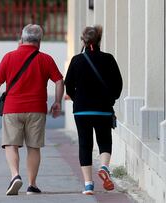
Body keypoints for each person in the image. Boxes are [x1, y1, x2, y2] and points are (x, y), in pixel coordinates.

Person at [0, 24, 64, 195]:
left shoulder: (9, 57)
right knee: (34, 147)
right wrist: (57, 102)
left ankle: (15, 176)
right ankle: (32, 185)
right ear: (39, 42)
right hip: (37, 109)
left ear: (21, 40)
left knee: (11, 144)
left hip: (12, 108)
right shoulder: (46, 59)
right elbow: (58, 80)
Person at [64, 25, 123, 195]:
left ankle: (88, 185)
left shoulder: (76, 60)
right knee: (104, 141)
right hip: (103, 109)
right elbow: (118, 84)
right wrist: (111, 99)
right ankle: (104, 166)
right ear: (99, 41)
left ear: (83, 41)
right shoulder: (109, 59)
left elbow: (69, 87)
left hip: (82, 110)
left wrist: (78, 100)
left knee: (85, 144)